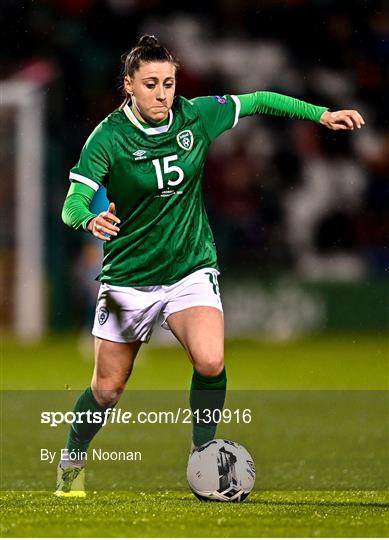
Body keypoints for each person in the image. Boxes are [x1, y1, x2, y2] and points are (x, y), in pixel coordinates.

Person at [55, 35, 365, 497]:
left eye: (169, 84)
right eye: (151, 84)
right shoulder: (108, 138)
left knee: (211, 358)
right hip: (129, 278)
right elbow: (71, 203)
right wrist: (89, 216)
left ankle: (204, 454)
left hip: (190, 267)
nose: (162, 94)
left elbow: (259, 100)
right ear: (128, 87)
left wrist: (320, 114)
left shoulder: (196, 114)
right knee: (107, 389)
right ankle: (72, 460)